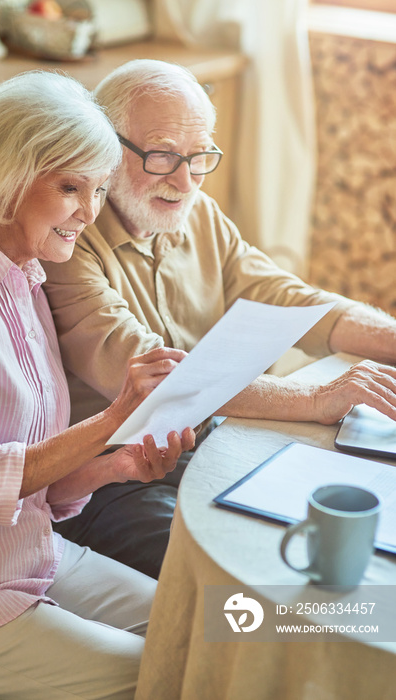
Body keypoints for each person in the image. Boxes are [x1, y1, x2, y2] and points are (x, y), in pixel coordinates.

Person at [42, 59, 396, 580]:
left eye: (200, 155)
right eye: (162, 155)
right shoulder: (67, 241)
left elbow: (292, 300)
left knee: (344, 532)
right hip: (107, 481)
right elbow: (155, 380)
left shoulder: (196, 212)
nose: (185, 181)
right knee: (234, 578)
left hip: (208, 442)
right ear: (103, 147)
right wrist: (319, 399)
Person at [0, 70, 195, 700]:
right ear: (10, 176)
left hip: (28, 552)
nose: (88, 211)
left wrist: (113, 466)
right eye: (69, 186)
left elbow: (28, 478)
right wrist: (111, 418)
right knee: (170, 678)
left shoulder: (24, 272)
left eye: (98, 188)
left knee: (206, 636)